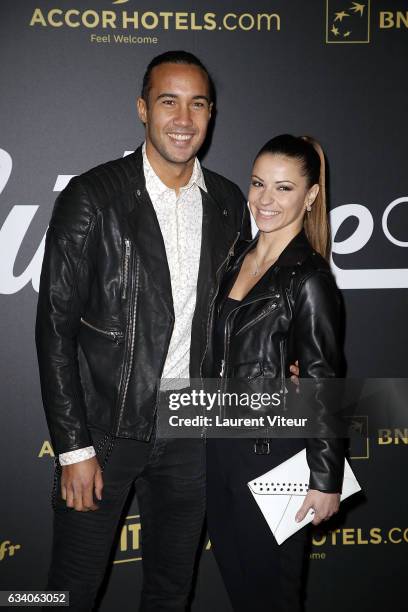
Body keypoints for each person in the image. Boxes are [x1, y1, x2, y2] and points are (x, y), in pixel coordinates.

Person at [35, 50, 252, 611]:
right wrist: (73, 448)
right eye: (168, 102)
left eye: (197, 104)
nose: (184, 119)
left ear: (211, 114)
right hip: (104, 433)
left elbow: (235, 316)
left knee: (171, 589)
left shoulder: (229, 202)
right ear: (142, 109)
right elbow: (55, 329)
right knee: (67, 592)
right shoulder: (93, 196)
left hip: (191, 432)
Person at [204, 134, 345, 611]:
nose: (265, 199)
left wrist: (325, 479)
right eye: (259, 183)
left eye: (284, 189)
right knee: (242, 591)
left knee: (274, 597)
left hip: (277, 456)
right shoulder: (236, 257)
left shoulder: (309, 277)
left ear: (310, 197)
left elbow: (324, 381)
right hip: (221, 450)